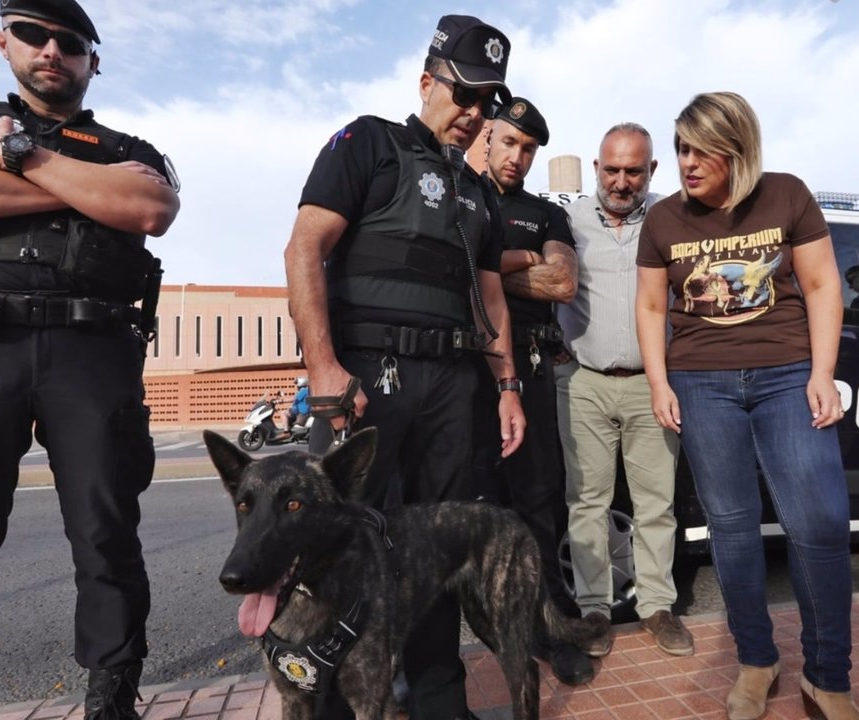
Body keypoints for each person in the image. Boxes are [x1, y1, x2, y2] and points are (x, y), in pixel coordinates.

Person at [0, 1, 180, 718]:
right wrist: (83, 195)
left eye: (71, 41)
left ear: (92, 59)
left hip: (91, 352)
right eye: (33, 34)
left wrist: (21, 156)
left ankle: (113, 698)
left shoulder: (122, 142)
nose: (52, 49)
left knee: (107, 540)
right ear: (3, 41)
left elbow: (149, 207)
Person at [283, 14, 524, 720]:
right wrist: (324, 369)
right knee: (337, 547)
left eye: (488, 103)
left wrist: (507, 386)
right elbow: (303, 249)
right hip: (365, 382)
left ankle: (439, 701)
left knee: (437, 548)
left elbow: (490, 299)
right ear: (427, 81)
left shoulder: (478, 192)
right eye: (464, 94)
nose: (474, 114)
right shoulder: (369, 144)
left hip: (452, 387)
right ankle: (326, 701)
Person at [635, 91, 859, 720]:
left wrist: (822, 372)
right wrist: (660, 383)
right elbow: (652, 307)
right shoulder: (663, 222)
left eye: (702, 149)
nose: (687, 162)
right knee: (731, 531)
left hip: (788, 376)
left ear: (737, 149)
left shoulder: (786, 195)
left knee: (818, 522)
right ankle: (757, 660)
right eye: (681, 148)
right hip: (702, 384)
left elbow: (820, 284)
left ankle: (828, 677)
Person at [555, 123, 693, 657]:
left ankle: (658, 608)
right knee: (587, 502)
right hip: (585, 382)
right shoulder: (567, 221)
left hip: (650, 384)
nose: (620, 181)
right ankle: (593, 611)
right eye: (610, 169)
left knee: (657, 503)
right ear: (595, 168)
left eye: (633, 170)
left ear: (651, 171)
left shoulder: (671, 218)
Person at [470, 98, 592, 684]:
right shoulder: (456, 193)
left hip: (534, 366)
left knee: (538, 506)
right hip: (463, 371)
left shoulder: (544, 213)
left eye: (528, 149)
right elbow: (444, 267)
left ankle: (555, 630)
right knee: (457, 508)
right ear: (488, 136)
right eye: (509, 143)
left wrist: (487, 262)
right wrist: (519, 265)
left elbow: (562, 281)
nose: (517, 157)